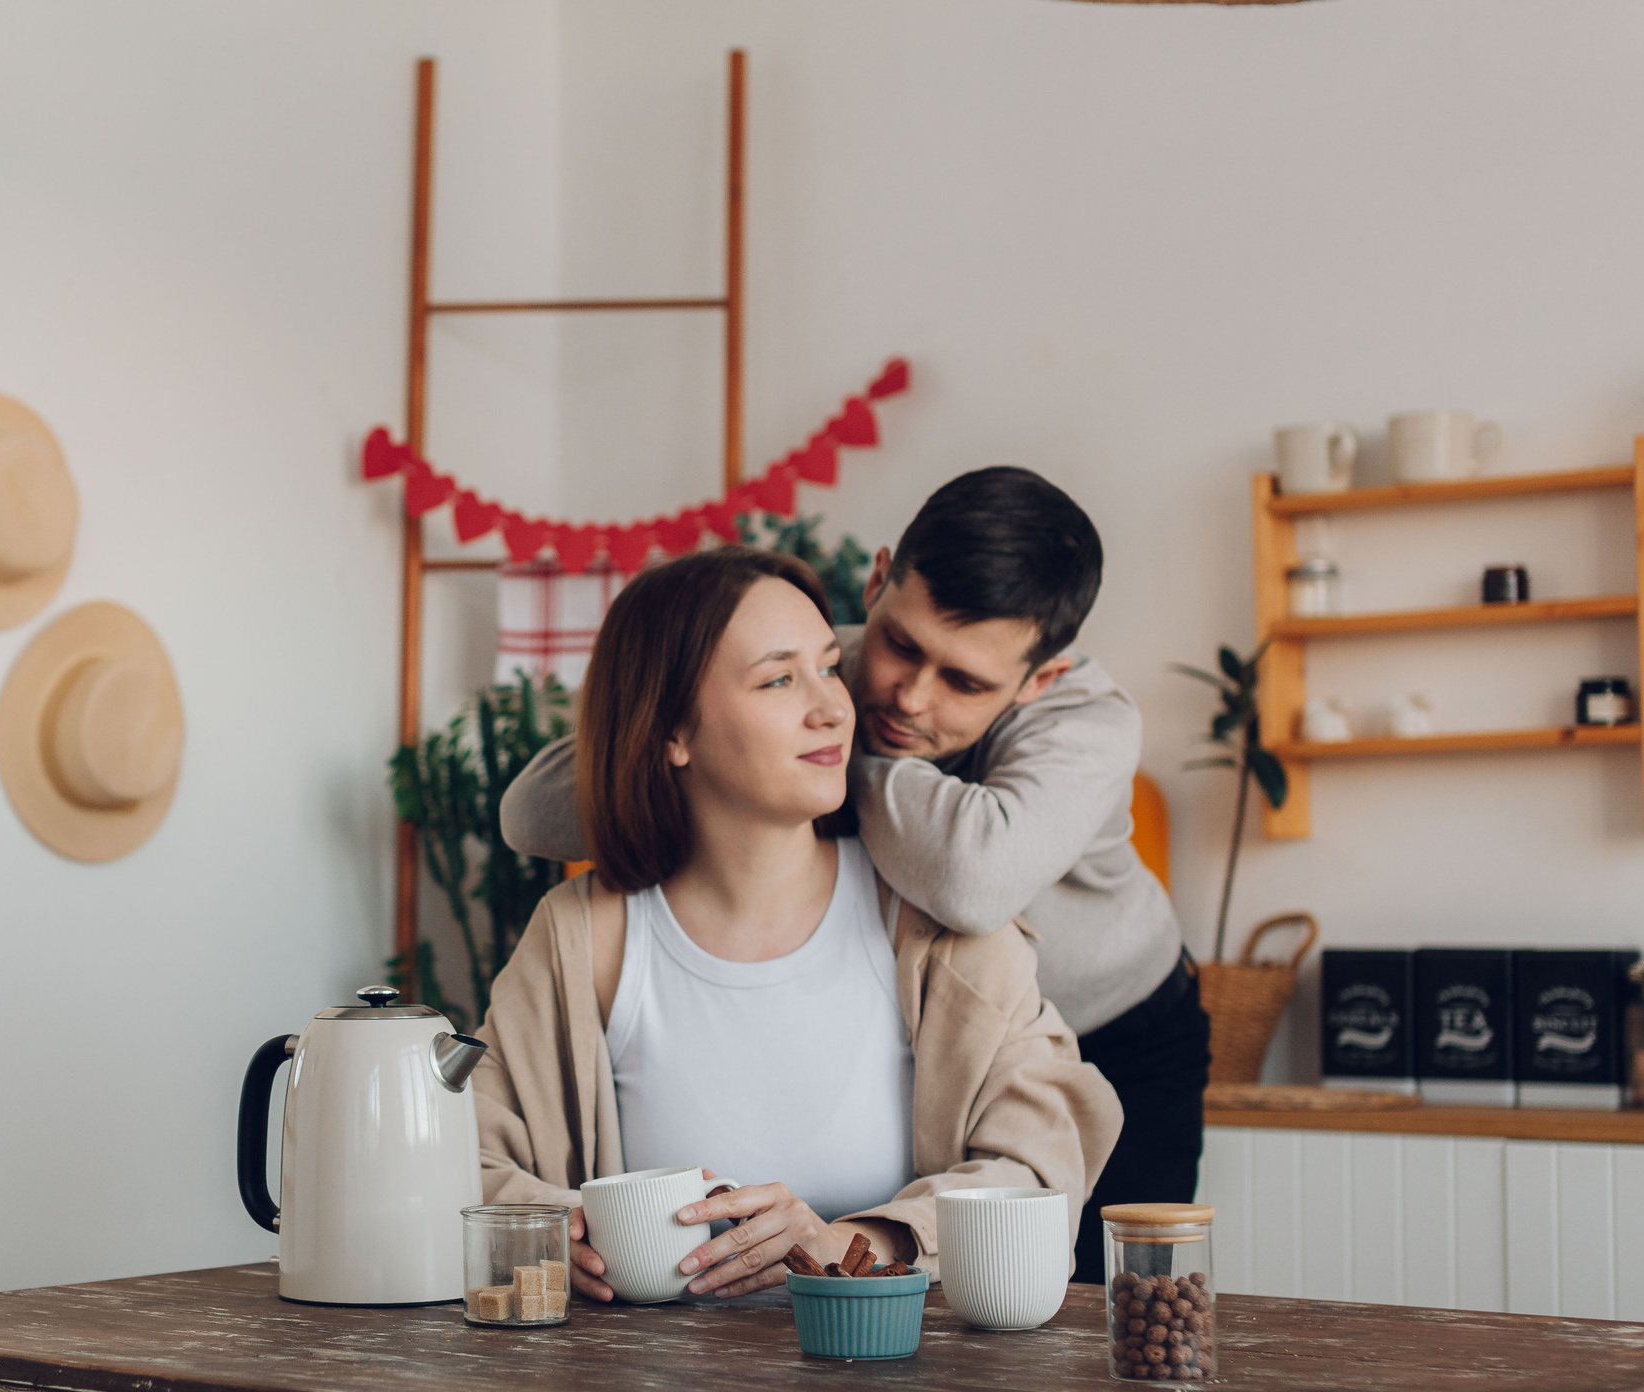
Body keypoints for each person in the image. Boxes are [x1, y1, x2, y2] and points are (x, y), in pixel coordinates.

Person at [471, 544, 1127, 1392]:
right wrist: (553, 1232)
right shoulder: (586, 938)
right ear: (672, 730)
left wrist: (856, 1241)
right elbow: (468, 1164)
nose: (836, 706)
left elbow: (1039, 1161)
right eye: (779, 679)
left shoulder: (938, 930)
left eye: (829, 665)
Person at [501, 468, 1205, 1285]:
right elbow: (537, 810)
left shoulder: (1087, 721)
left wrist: (812, 758)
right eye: (899, 645)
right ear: (877, 583)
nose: (907, 694)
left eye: (966, 682)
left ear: (1036, 680)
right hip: (917, 1008)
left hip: (1117, 1022)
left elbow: (970, 883)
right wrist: (738, 732)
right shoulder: (819, 666)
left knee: (1086, 1301)